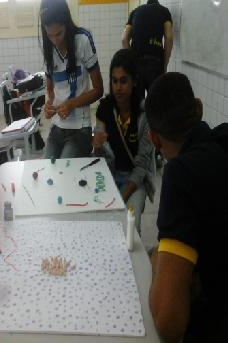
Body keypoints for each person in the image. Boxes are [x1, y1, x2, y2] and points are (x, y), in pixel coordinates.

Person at [146, 72, 228, 342]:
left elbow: (168, 323)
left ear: (154, 139)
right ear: (199, 107)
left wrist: (159, 258)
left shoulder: (181, 174)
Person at [92, 49, 155, 233]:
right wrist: (96, 147)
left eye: (123, 81)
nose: (118, 87)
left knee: (131, 225)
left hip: (135, 181)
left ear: (135, 81)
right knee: (102, 224)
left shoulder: (144, 115)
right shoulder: (104, 109)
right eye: (114, 81)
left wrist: (121, 196)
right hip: (110, 176)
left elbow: (142, 166)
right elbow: (100, 159)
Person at [40, 0, 103, 159]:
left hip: (80, 128)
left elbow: (98, 89)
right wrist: (48, 104)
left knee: (64, 173)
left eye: (59, 33)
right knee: (48, 170)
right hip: (57, 126)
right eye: (49, 35)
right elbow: (50, 89)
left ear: (67, 24)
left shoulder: (83, 40)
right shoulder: (48, 46)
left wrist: (72, 103)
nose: (55, 40)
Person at [122, 0, 173, 99]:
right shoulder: (164, 11)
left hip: (136, 64)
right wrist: (165, 65)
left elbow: (124, 39)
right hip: (155, 64)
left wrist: (131, 62)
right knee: (155, 105)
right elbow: (169, 38)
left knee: (137, 105)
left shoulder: (135, 12)